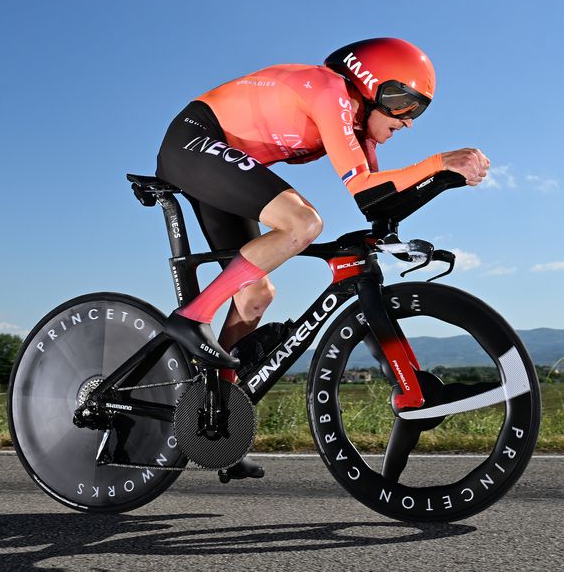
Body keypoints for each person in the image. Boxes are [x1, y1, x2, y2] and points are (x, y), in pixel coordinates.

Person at [155, 38, 490, 479]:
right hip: (196, 141)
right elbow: (367, 189)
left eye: (418, 111)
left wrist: (446, 179)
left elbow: (379, 206)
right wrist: (439, 161)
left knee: (255, 294)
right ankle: (192, 316)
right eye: (403, 103)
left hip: (230, 164)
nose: (408, 121)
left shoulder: (357, 125)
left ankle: (218, 424)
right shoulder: (328, 89)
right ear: (370, 86)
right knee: (302, 223)